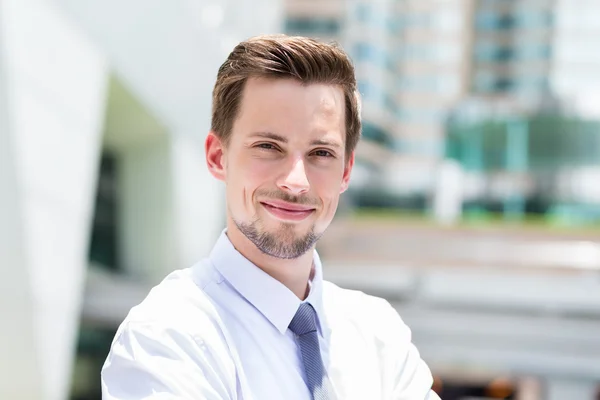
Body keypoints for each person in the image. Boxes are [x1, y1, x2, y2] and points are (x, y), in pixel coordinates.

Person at [101, 34, 440, 400]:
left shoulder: (380, 335)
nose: (295, 182)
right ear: (218, 156)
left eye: (321, 152)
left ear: (346, 171)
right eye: (268, 146)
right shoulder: (167, 336)